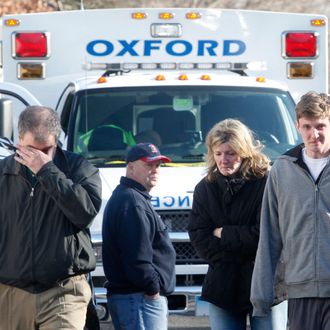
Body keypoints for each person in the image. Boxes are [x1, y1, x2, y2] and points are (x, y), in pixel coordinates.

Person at [0, 106, 102, 330]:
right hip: (9, 293)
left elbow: (84, 213)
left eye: (46, 150)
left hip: (63, 290)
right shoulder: (3, 173)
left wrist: (48, 170)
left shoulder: (80, 169)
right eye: (30, 149)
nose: (37, 156)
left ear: (57, 140)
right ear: (18, 138)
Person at [251, 91, 330, 329]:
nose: (314, 135)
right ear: (297, 125)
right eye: (307, 126)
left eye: (320, 126)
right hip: (299, 289)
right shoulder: (282, 170)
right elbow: (270, 234)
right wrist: (261, 295)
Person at [188, 119, 272, 329]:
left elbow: (265, 235)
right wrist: (238, 246)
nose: (223, 160)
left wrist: (223, 233)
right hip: (222, 285)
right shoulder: (204, 188)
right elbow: (199, 237)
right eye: (218, 153)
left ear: (244, 152)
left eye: (230, 153)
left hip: (264, 283)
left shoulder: (267, 183)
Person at [102, 142, 176, 330]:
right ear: (131, 167)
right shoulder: (132, 201)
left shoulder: (132, 197)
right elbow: (137, 257)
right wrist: (153, 289)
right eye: (148, 165)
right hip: (139, 298)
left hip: (137, 298)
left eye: (158, 165)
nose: (155, 170)